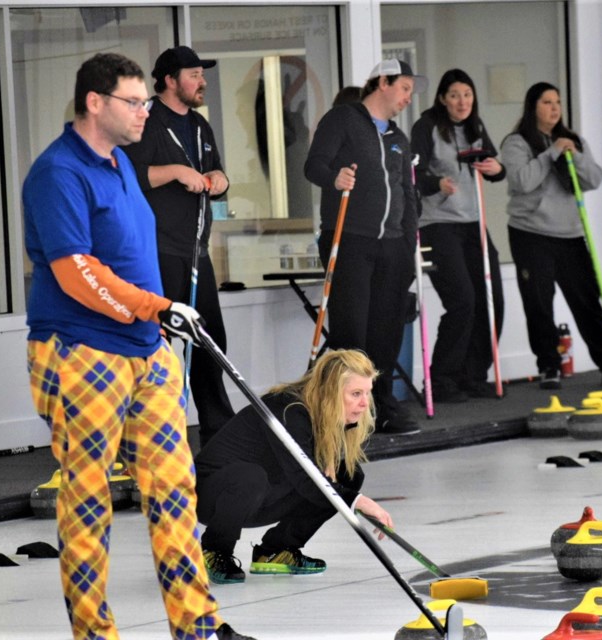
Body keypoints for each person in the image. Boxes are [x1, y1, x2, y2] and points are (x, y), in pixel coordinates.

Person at [22, 52, 254, 640]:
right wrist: (155, 306)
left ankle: (198, 627)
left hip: (146, 350)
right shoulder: (58, 173)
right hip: (81, 351)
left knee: (175, 490)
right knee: (90, 497)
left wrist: (159, 312)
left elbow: (133, 256)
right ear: (95, 103)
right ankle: (95, 633)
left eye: (145, 101)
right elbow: (77, 271)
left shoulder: (122, 162)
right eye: (133, 101)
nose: (144, 111)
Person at [194, 349, 394, 584]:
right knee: (252, 476)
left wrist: (349, 494)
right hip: (211, 496)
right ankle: (214, 550)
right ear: (330, 391)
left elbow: (320, 478)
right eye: (355, 393)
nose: (364, 403)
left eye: (367, 393)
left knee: (347, 476)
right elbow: (305, 478)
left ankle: (276, 551)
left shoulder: (325, 411)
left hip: (263, 493)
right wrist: (360, 501)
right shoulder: (289, 410)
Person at [304, 59, 428, 435]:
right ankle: (341, 411)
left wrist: (408, 243)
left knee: (386, 331)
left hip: (392, 245)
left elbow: (406, 193)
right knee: (352, 332)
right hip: (350, 239)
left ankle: (381, 405)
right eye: (404, 87)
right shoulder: (343, 119)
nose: (409, 97)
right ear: (384, 82)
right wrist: (334, 177)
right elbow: (314, 166)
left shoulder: (398, 138)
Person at [123, 46, 235, 448]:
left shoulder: (200, 125)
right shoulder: (146, 120)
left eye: (202, 75)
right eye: (193, 75)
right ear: (170, 80)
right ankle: (152, 435)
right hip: (157, 249)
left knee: (209, 339)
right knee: (161, 344)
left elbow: (215, 172)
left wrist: (219, 178)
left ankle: (218, 431)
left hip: (194, 249)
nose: (201, 81)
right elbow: (127, 176)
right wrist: (174, 172)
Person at [500, 82, 602, 389]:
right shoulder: (517, 142)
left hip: (570, 233)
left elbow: (594, 179)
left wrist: (573, 154)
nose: (554, 108)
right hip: (531, 233)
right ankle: (549, 366)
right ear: (533, 107)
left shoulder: (572, 139)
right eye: (547, 102)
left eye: (558, 102)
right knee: (539, 302)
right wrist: (551, 153)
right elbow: (522, 181)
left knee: (588, 302)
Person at [410, 68, 506, 402]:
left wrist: (497, 168)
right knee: (462, 300)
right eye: (454, 95)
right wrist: (436, 183)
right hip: (437, 223)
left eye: (467, 94)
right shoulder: (426, 127)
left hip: (473, 223)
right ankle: (442, 380)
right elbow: (412, 174)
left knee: (491, 300)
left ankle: (474, 374)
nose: (462, 102)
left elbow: (494, 166)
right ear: (442, 99)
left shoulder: (475, 127)